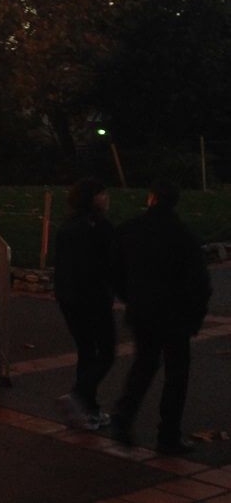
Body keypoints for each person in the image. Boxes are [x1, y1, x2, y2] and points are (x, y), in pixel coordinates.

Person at [109, 179, 212, 454]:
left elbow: (115, 269)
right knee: (177, 374)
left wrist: (130, 296)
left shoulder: (131, 230)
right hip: (176, 315)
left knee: (144, 364)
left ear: (151, 198)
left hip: (143, 311)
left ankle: (123, 416)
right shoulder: (184, 236)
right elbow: (200, 283)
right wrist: (196, 316)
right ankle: (168, 435)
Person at [53, 179, 116, 430]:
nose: (107, 198)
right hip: (94, 298)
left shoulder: (67, 226)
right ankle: (78, 397)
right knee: (106, 352)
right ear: (92, 199)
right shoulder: (100, 227)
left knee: (87, 351)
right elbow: (111, 264)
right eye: (102, 194)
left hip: (68, 298)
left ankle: (88, 410)